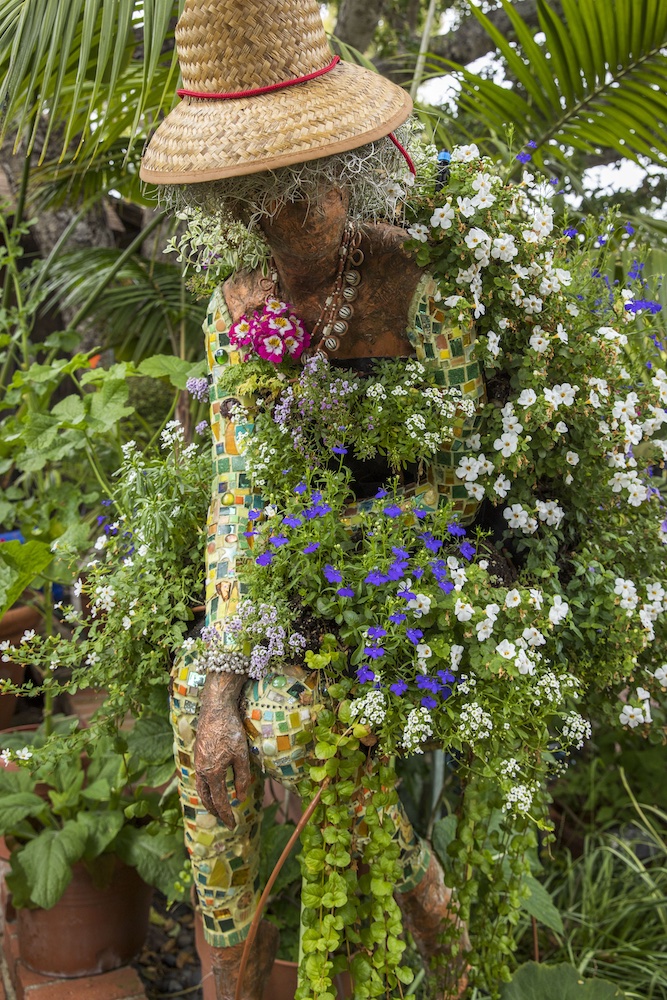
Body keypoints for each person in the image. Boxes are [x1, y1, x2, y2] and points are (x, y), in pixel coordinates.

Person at [141, 3, 480, 997]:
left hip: (397, 584)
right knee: (197, 706)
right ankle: (230, 974)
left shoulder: (411, 281)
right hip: (283, 578)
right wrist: (222, 682)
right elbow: (238, 493)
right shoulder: (240, 307)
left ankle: (432, 924)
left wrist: (322, 582)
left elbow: (442, 494)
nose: (279, 231)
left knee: (289, 721)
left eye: (296, 199)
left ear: (350, 172)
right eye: (252, 204)